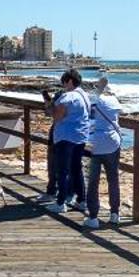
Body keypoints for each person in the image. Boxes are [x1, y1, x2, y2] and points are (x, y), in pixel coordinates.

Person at [45, 69, 92, 213]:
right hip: (80, 136)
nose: (63, 86)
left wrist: (49, 105)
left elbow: (57, 116)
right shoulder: (84, 96)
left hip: (65, 137)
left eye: (64, 82)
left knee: (63, 170)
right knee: (77, 168)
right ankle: (82, 200)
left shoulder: (68, 97)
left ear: (70, 81)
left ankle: (60, 203)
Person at [82, 77, 124, 228]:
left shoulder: (95, 100)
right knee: (113, 179)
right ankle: (115, 213)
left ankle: (93, 217)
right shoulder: (114, 101)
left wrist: (98, 88)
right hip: (113, 142)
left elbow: (89, 111)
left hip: (95, 143)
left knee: (93, 181)